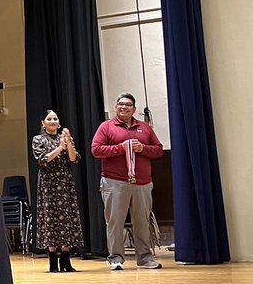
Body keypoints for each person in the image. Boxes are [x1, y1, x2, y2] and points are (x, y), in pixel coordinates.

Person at [90, 93, 165, 270]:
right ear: (116, 107)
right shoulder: (106, 127)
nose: (124, 107)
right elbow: (96, 150)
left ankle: (145, 259)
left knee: (142, 221)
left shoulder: (145, 128)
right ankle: (115, 258)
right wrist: (120, 148)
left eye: (128, 105)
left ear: (134, 109)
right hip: (114, 182)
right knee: (115, 221)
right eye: (121, 104)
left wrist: (143, 148)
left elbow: (159, 150)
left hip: (142, 183)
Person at [31, 111, 84, 273]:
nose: (53, 121)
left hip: (64, 181)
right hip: (48, 183)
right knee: (50, 217)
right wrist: (60, 148)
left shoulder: (65, 137)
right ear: (43, 122)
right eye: (49, 119)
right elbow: (42, 160)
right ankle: (53, 261)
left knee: (66, 217)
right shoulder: (38, 139)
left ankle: (66, 261)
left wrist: (68, 145)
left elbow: (74, 159)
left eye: (55, 119)